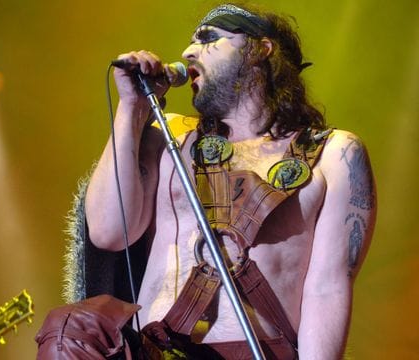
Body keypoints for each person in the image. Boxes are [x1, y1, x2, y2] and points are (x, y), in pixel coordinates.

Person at [36, 2, 376, 359]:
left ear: (261, 49)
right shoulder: (168, 139)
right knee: (67, 329)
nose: (187, 52)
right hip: (157, 347)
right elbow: (108, 231)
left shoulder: (334, 154)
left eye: (208, 38)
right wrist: (131, 110)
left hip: (257, 349)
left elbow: (327, 288)